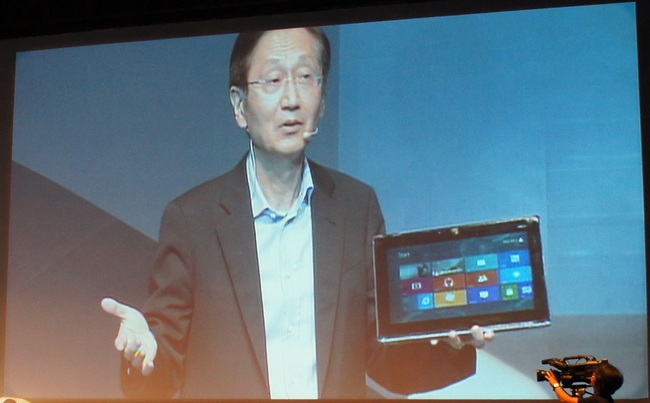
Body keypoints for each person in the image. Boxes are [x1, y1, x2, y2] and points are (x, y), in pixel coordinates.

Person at [101, 27, 493, 399]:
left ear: (322, 101)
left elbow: (383, 359)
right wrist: (143, 356)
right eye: (273, 80)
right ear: (239, 105)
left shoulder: (357, 208)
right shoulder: (192, 220)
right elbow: (161, 365)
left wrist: (451, 346)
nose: (291, 99)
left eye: (306, 78)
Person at [544, 361, 624, 403]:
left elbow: (566, 400)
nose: (592, 376)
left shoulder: (597, 401)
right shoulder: (607, 399)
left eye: (595, 375)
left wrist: (555, 383)